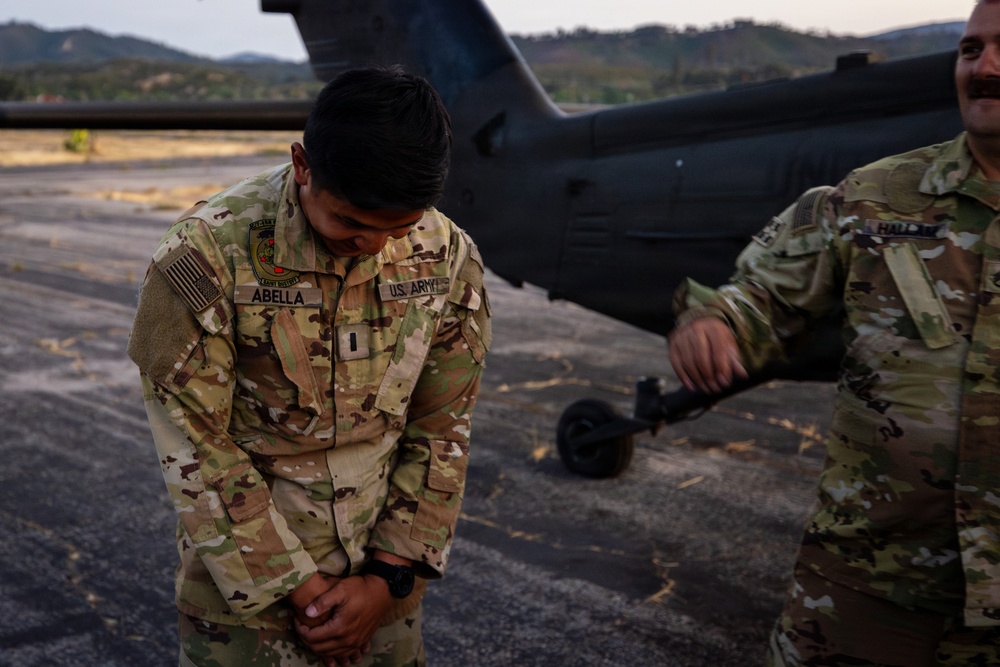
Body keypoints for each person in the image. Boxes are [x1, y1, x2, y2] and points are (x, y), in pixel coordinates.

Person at [668, 2, 1000, 664]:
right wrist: (718, 321)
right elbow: (762, 293)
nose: (985, 67)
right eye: (969, 50)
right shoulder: (872, 198)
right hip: (870, 591)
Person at [127, 66, 491, 667]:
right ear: (303, 167)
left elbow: (444, 425)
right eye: (349, 222)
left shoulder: (447, 253)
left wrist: (387, 580)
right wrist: (304, 592)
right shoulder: (206, 254)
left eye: (398, 227)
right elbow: (197, 445)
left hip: (382, 581)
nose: (373, 245)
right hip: (247, 587)